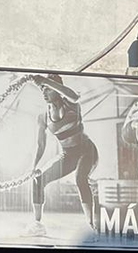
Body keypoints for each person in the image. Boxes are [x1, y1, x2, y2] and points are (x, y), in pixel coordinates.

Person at [26, 73, 100, 236]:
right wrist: (33, 167)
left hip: (87, 150)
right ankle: (37, 224)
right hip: (68, 155)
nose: (44, 92)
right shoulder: (43, 117)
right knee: (38, 180)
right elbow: (40, 145)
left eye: (47, 89)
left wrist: (46, 81)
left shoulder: (72, 105)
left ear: (57, 89)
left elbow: (75, 96)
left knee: (80, 179)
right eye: (42, 89)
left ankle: (91, 225)